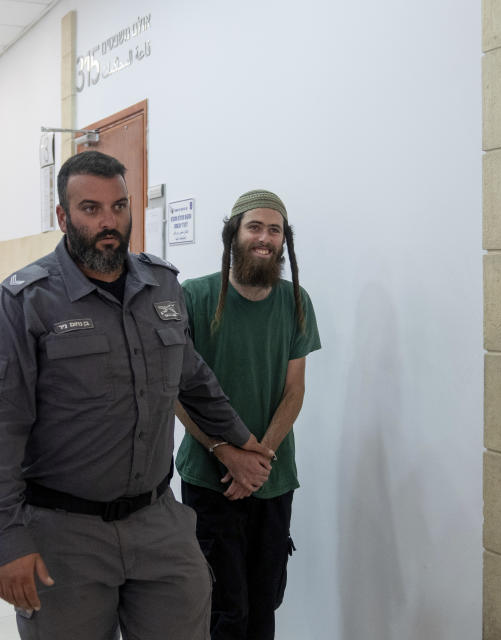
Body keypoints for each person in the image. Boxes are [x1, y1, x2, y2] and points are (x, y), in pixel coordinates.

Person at [0, 150, 272, 640]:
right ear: (64, 217)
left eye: (119, 206)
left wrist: (241, 441)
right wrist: (5, 537)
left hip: (157, 521)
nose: (109, 222)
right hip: (64, 531)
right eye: (91, 209)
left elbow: (193, 379)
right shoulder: (25, 300)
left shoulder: (162, 286)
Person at [175, 189, 321, 640]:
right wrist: (226, 453)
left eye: (274, 230)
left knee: (264, 604)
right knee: (224, 607)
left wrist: (259, 460)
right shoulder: (194, 297)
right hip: (208, 478)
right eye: (255, 227)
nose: (264, 238)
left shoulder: (296, 301)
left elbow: (294, 391)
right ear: (233, 234)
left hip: (271, 480)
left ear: (284, 241)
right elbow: (176, 391)